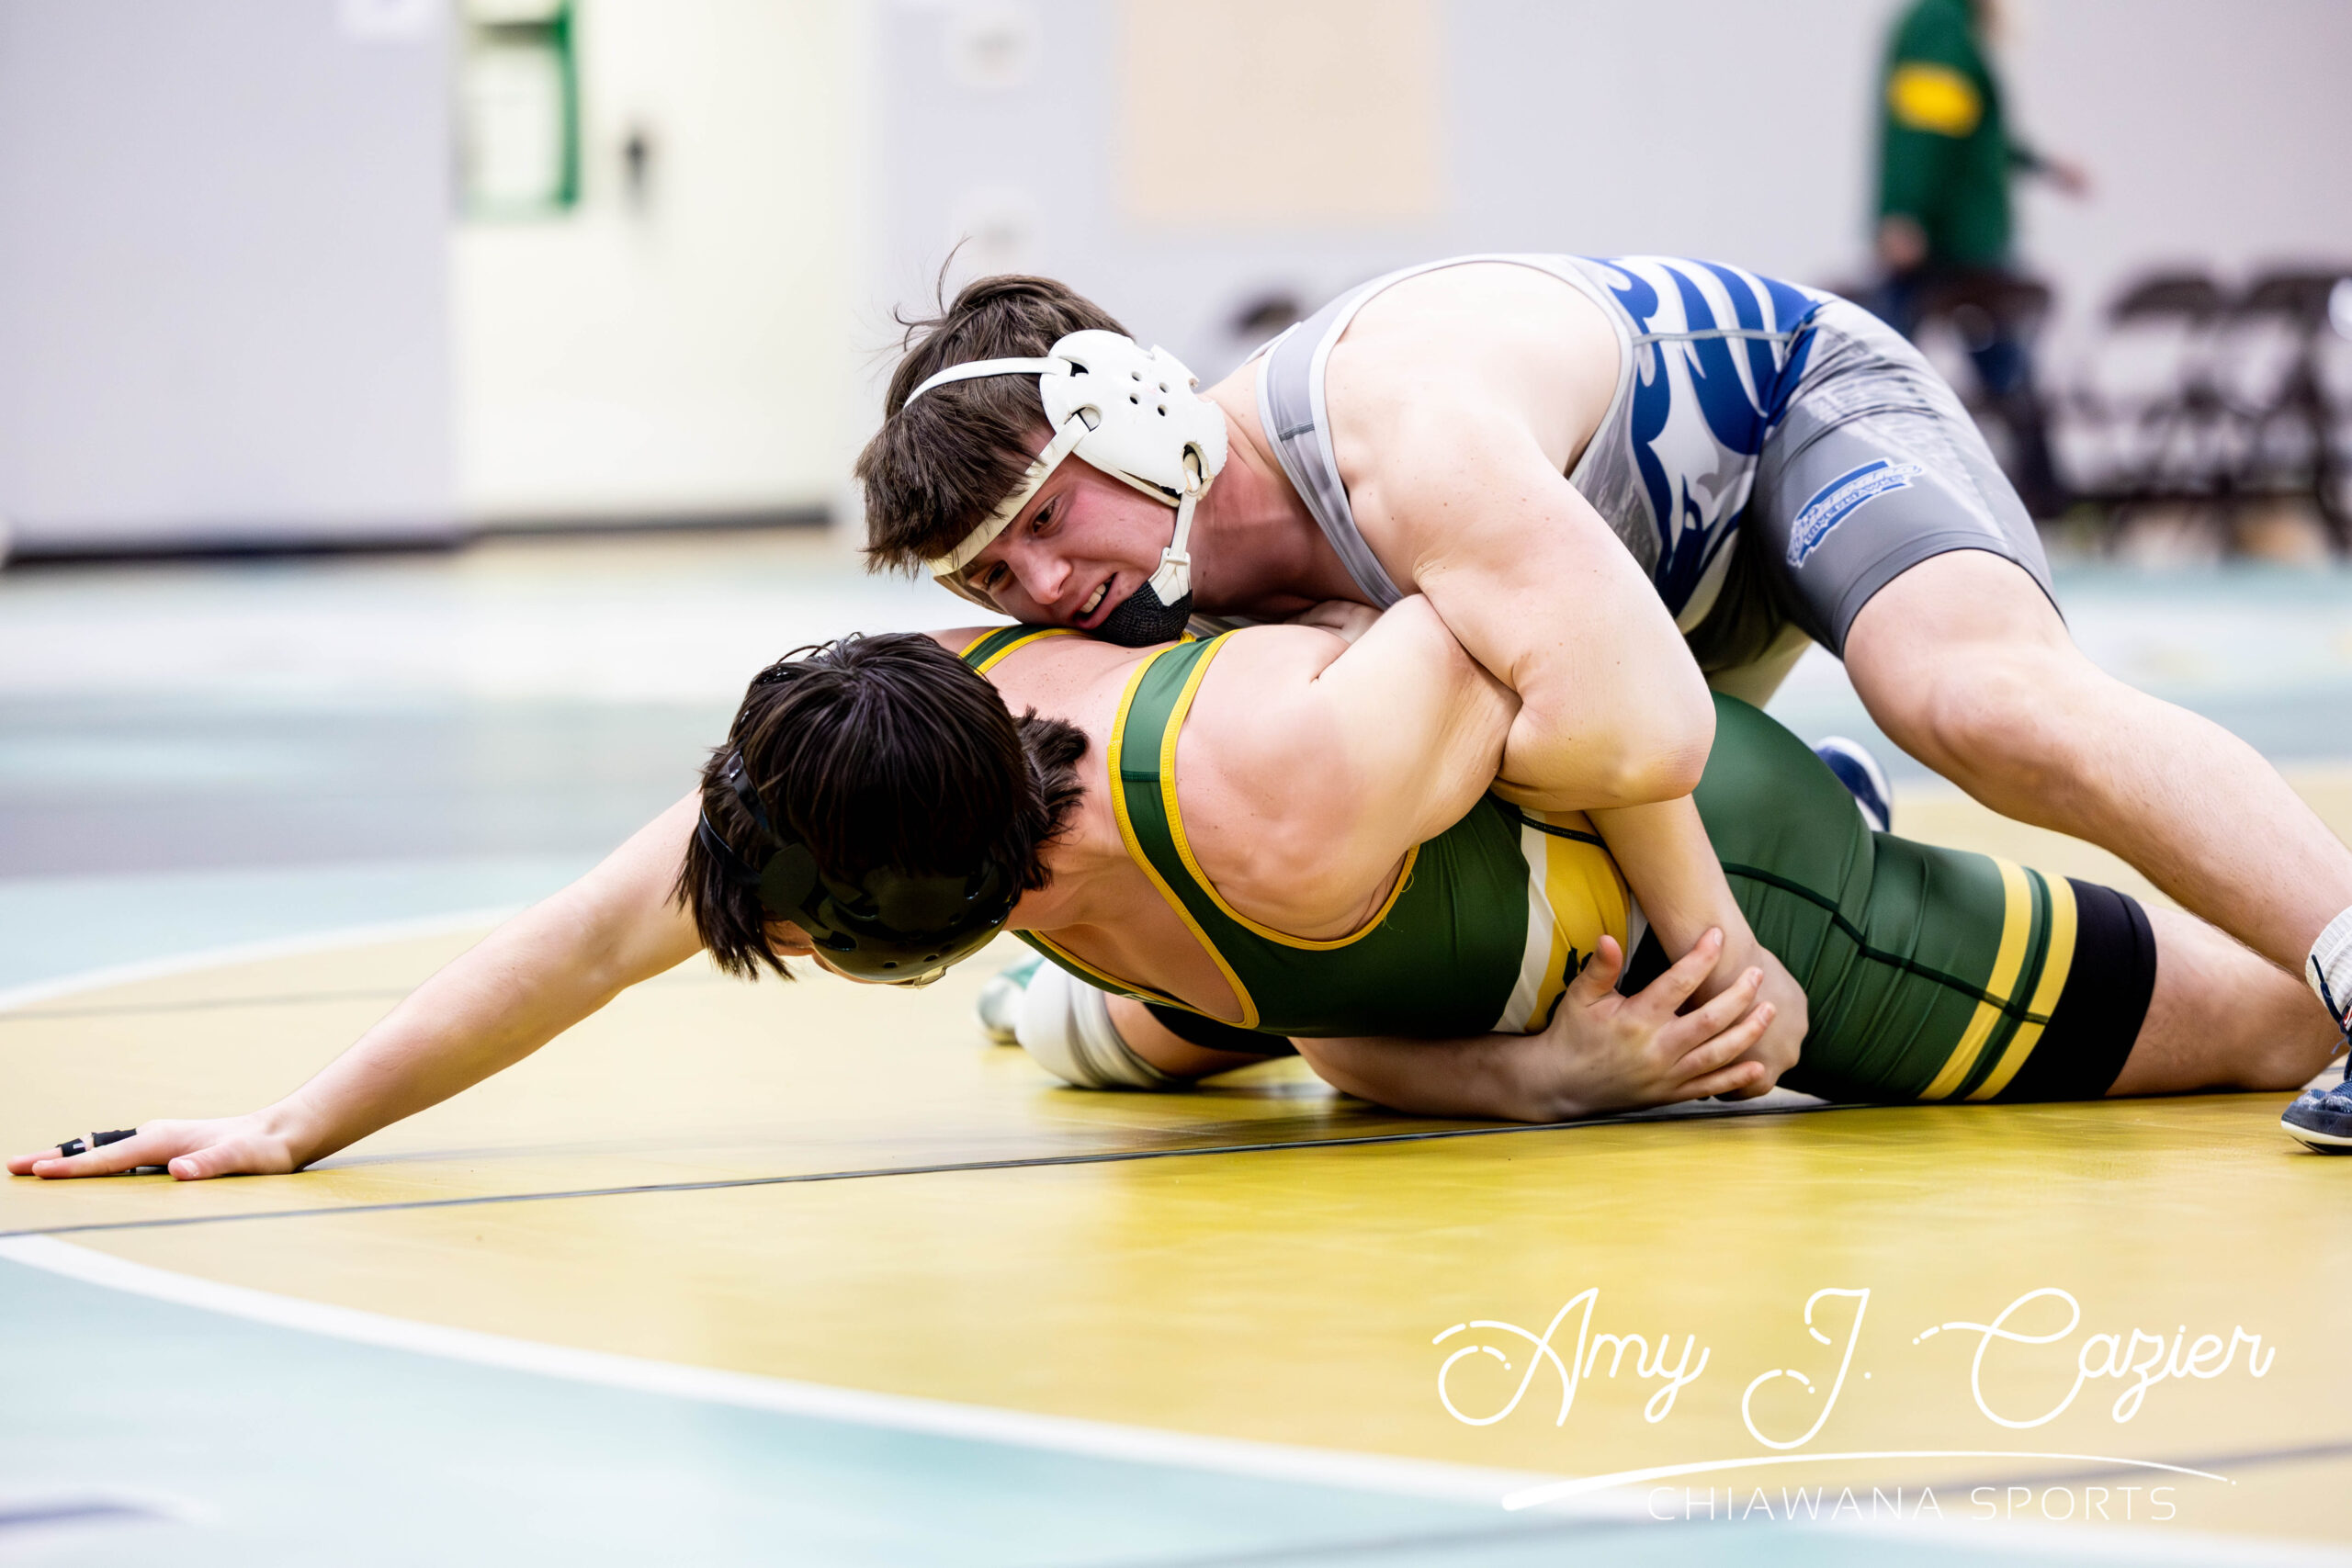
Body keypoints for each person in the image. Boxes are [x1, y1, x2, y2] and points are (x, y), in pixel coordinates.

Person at [15, 607, 2335, 1183]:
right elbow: (580, 937)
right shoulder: (867, 767)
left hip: (1738, 879)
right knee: (1198, 1034)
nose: (775, 952)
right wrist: (291, 1122)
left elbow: (1546, 598)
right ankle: (1104, 1016)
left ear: (953, 891)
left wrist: (1689, 944)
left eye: (807, 945)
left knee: (2267, 1025)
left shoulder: (1290, 781)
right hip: (1384, 962)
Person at [854, 269, 2352, 1146]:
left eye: (1044, 520)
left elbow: (1643, 733)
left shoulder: (1393, 427)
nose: (1043, 588)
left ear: (1125, 401)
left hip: (1784, 430)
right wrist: (1534, 1078)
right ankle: (1049, 1007)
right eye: (991, 576)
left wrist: (1724, 954)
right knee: (1210, 956)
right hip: (1629, 619)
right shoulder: (1167, 599)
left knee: (1972, 695)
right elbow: (1309, 978)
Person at [1871, 0, 2087, 517]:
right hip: (1950, 235)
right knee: (1886, 365)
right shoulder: (1941, 26)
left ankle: (2044, 495)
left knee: (1914, 363)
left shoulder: (1951, 25)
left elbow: (1969, 129)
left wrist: (2042, 164)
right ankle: (2046, 495)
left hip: (1956, 236)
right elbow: (1926, 127)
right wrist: (1907, 211)